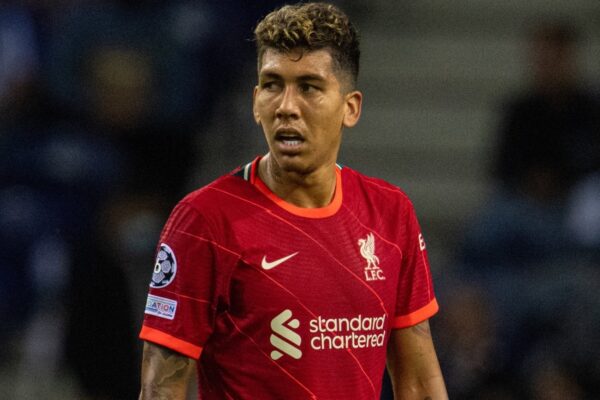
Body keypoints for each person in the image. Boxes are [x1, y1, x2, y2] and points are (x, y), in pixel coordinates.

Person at [138, 3, 448, 399]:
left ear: (350, 108)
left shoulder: (391, 213)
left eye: (308, 87)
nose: (286, 106)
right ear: (254, 102)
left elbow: (420, 383)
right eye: (272, 85)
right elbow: (160, 389)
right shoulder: (204, 221)